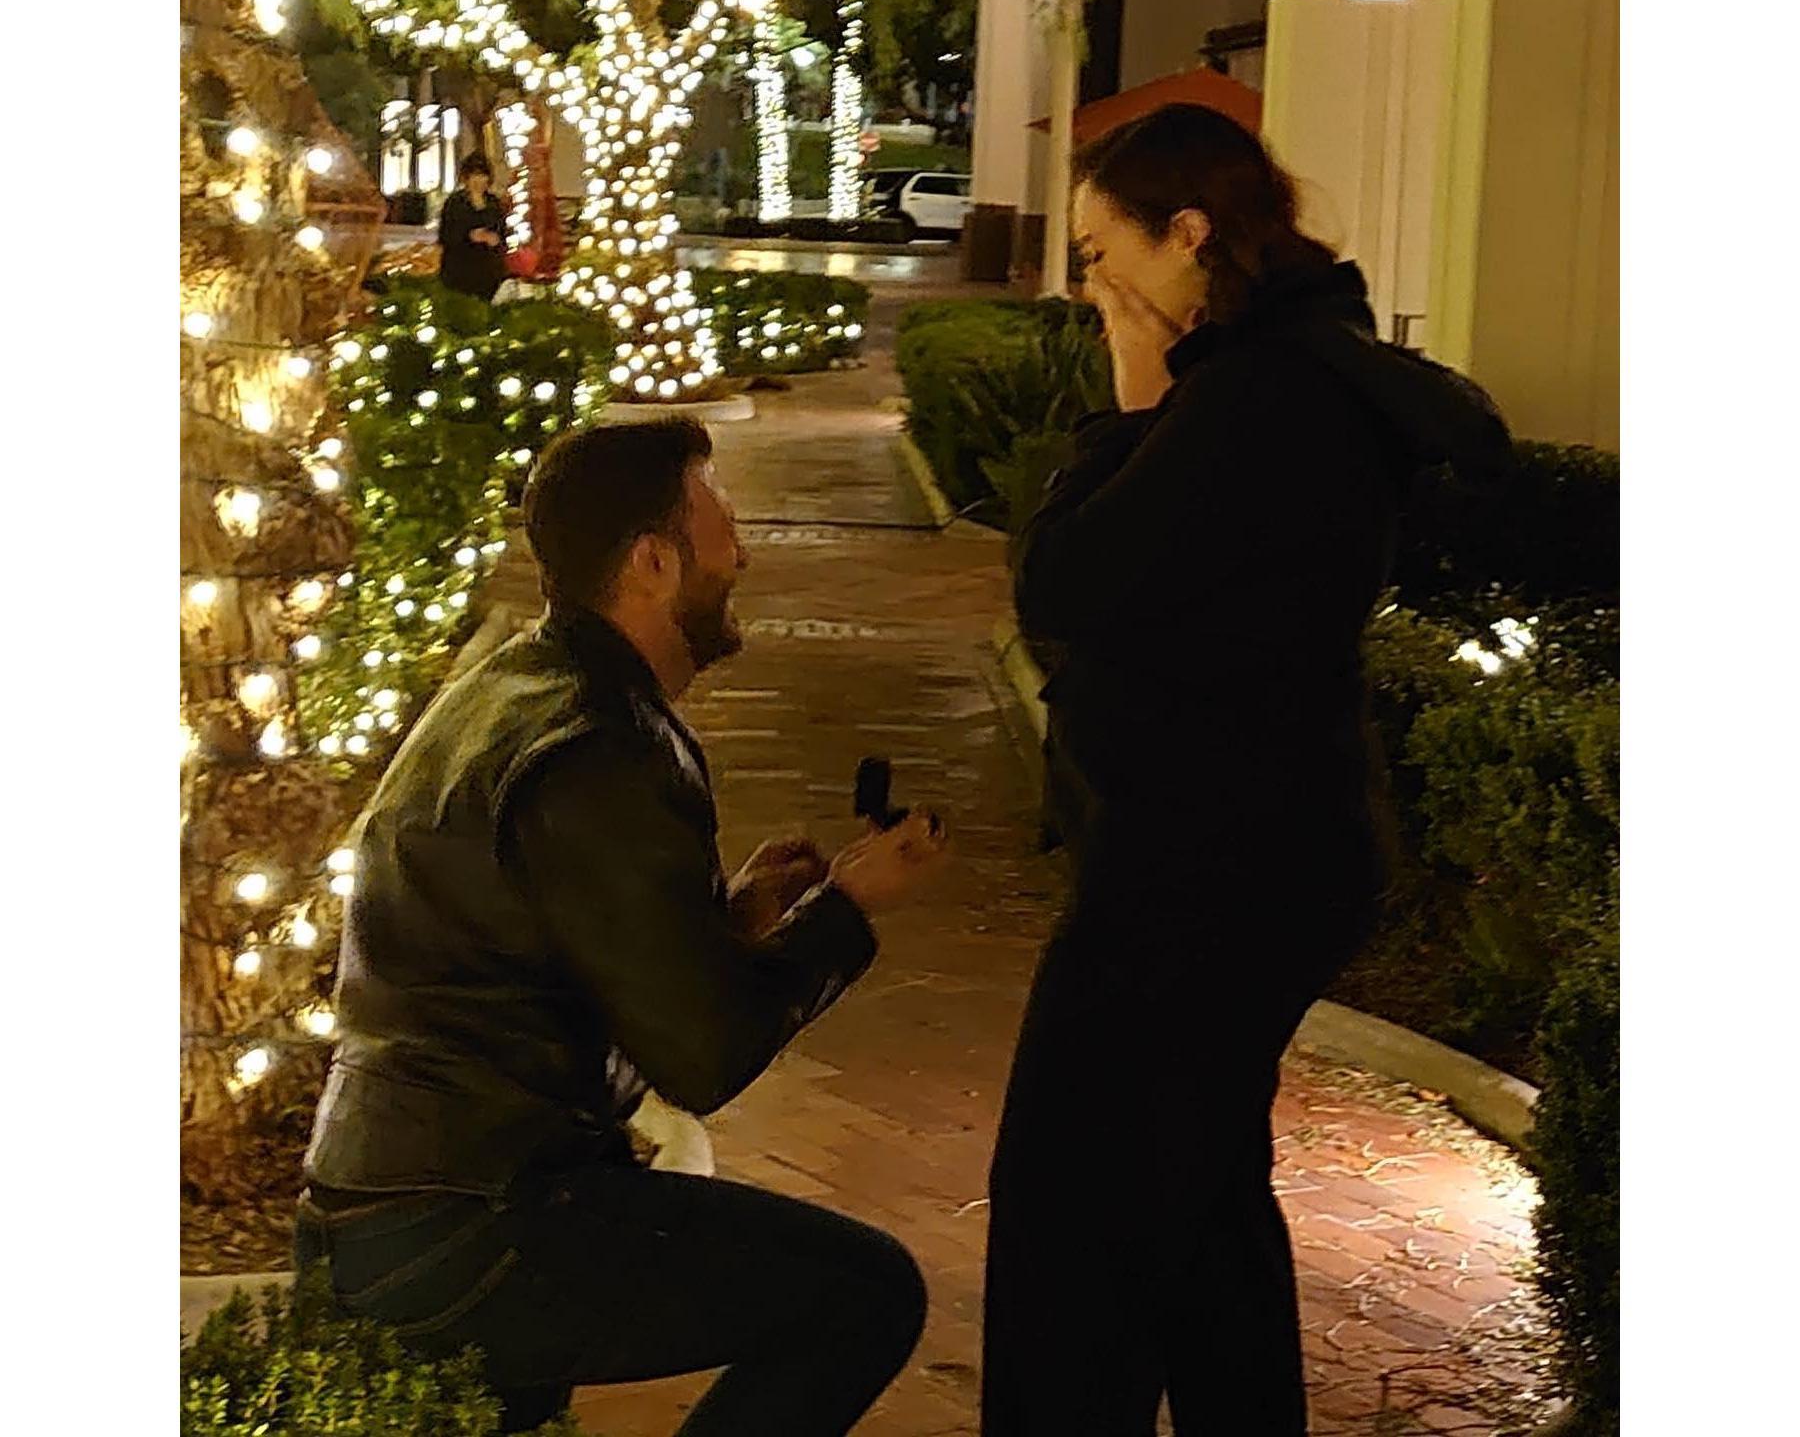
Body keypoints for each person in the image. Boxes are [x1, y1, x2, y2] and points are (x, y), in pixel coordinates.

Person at [981, 105, 1511, 1435]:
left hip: (1205, 871)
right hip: (1249, 853)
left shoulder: (1253, 397)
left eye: (1105, 256)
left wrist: (1126, 408)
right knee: (1200, 1192)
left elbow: (1069, 586)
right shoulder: (1290, 374)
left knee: (1077, 1202)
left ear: (1188, 236)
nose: (1093, 288)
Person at [296, 418, 950, 1435]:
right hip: (483, 1219)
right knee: (865, 1295)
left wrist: (724, 917)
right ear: (652, 561)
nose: (743, 549)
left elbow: (526, 940)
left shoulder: (510, 682)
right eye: (721, 519)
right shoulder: (606, 742)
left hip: (397, 1197)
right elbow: (702, 1055)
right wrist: (847, 912)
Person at [437, 151, 510, 301]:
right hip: (460, 269)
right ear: (466, 178)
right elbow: (445, 235)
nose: (478, 180)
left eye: (482, 175)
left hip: (487, 271)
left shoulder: (493, 203)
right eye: (474, 175)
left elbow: (502, 232)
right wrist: (469, 236)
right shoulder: (455, 203)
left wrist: (495, 239)